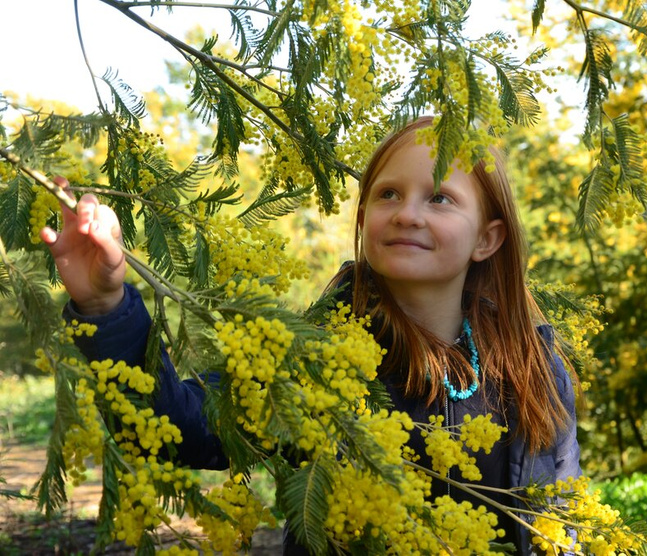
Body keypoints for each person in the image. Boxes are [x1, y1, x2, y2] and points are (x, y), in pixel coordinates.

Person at [44, 116, 581, 554]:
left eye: (439, 198)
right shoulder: (314, 354)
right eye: (389, 194)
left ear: (487, 239)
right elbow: (174, 425)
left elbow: (561, 518)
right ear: (366, 214)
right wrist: (104, 303)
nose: (407, 214)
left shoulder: (533, 367)